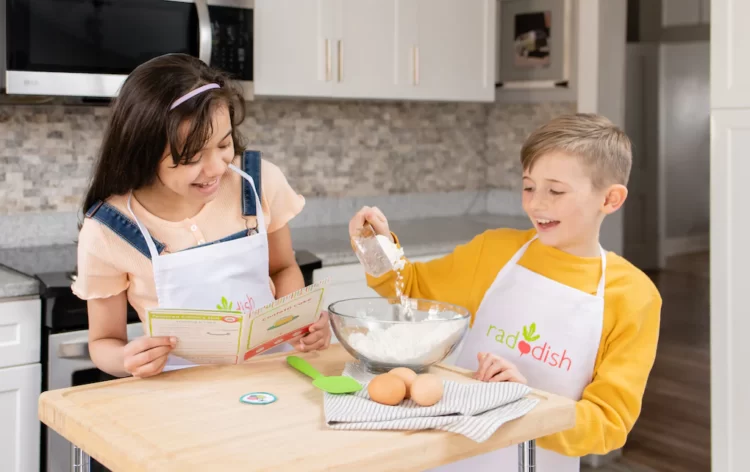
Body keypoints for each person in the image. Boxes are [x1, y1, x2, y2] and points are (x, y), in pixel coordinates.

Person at [348, 113, 661, 472]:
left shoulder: (633, 295)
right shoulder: (493, 251)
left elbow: (608, 424)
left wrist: (522, 401)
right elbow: (410, 289)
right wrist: (377, 247)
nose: (536, 204)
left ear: (610, 199)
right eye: (529, 187)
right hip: (449, 456)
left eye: (555, 191)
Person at [73, 54, 331, 379]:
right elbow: (103, 342)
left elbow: (282, 268)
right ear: (144, 151)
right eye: (192, 157)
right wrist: (126, 358)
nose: (216, 169)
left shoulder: (257, 182)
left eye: (224, 144)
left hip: (270, 377)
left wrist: (301, 323)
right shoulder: (108, 230)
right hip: (181, 394)